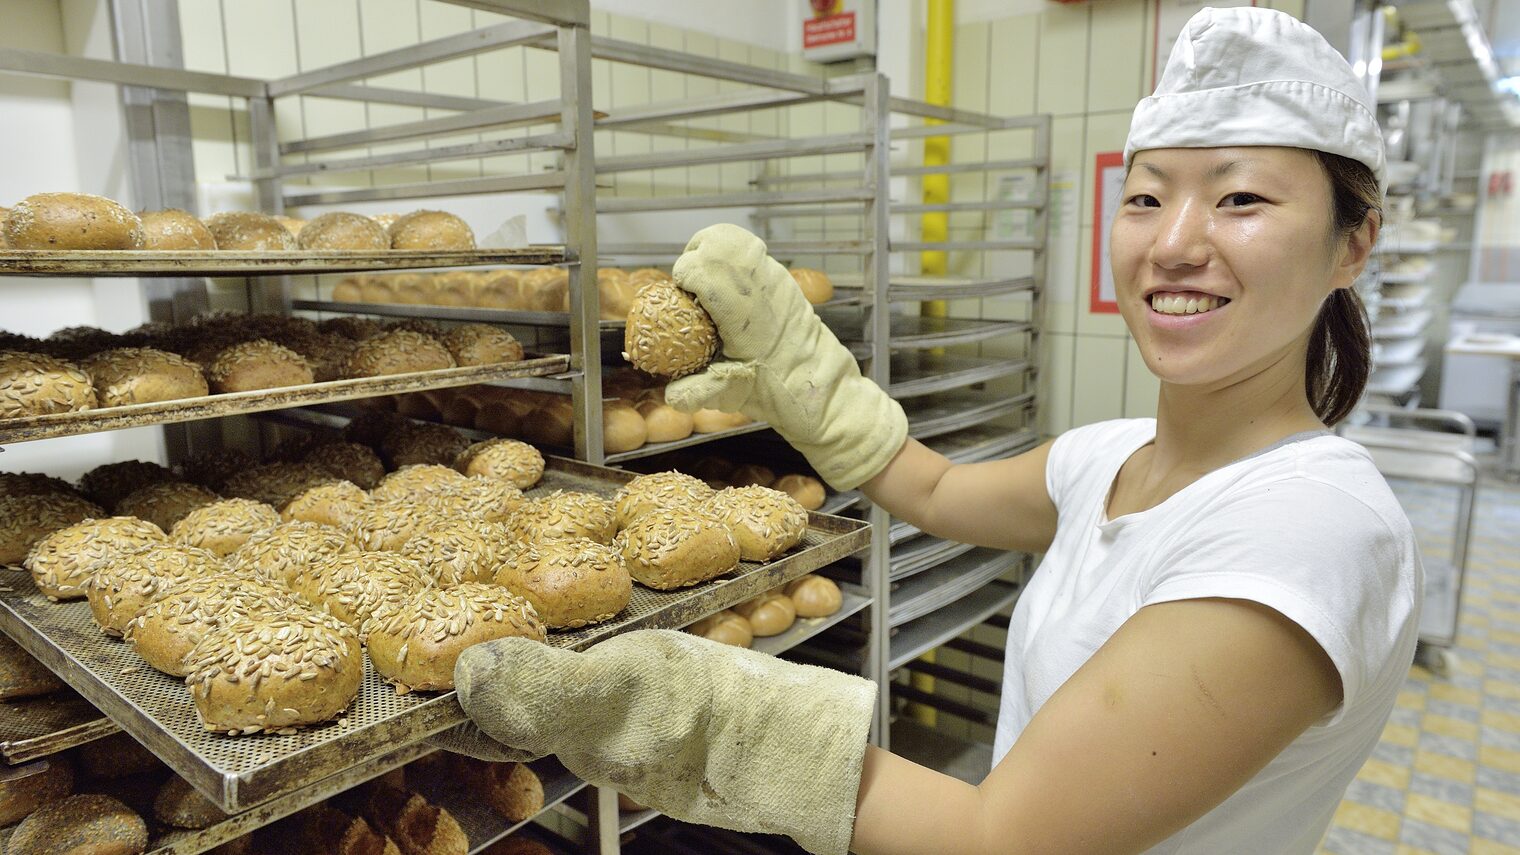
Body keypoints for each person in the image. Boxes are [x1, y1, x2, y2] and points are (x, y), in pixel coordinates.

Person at [436, 7, 1422, 854]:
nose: (1172, 242)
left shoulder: (1308, 530)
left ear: (1353, 243)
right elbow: (937, 491)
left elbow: (1001, 836)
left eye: (1241, 198)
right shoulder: (1112, 456)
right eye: (1146, 196)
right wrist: (814, 386)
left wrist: (699, 715)